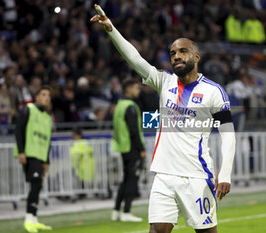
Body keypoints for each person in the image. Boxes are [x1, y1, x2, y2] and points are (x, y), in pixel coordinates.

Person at [91, 4, 236, 233]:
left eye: (183, 51)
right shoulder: (165, 82)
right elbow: (135, 59)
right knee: (157, 231)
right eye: (173, 53)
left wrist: (225, 172)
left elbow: (228, 134)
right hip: (164, 175)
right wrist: (111, 29)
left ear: (196, 56)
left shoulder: (213, 91)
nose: (176, 56)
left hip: (196, 176)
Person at [14, 86, 53, 233]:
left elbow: (48, 141)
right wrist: (21, 151)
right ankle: (29, 219)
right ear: (36, 97)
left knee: (38, 186)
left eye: (48, 95)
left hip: (41, 156)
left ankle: (34, 219)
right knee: (35, 184)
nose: (46, 98)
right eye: (43, 95)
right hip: (30, 153)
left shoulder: (48, 118)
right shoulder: (28, 109)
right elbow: (19, 130)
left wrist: (47, 161)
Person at [112, 78, 146, 222]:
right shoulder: (131, 106)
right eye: (136, 88)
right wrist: (141, 149)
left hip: (123, 147)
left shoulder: (119, 105)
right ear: (128, 89)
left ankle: (116, 211)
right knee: (132, 179)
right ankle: (126, 212)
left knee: (125, 179)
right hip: (132, 148)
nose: (138, 90)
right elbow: (134, 131)